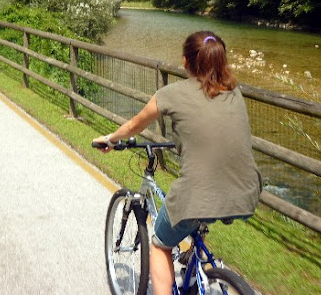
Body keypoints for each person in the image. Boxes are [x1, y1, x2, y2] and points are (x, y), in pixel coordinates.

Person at [93, 31, 262, 295]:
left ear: (185, 61)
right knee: (198, 214)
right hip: (247, 191)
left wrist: (110, 139)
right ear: (220, 60)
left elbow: (132, 126)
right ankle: (194, 272)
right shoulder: (234, 93)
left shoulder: (171, 93)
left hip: (199, 195)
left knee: (160, 244)